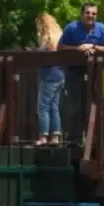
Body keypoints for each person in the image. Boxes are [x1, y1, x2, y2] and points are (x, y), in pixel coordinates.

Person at [58, 2, 104, 146]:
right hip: (74, 72)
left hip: (95, 73)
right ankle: (74, 139)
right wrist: (78, 48)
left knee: (93, 105)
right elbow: (60, 47)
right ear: (82, 14)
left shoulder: (102, 29)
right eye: (88, 13)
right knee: (75, 107)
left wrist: (92, 46)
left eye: (94, 14)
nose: (90, 16)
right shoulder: (71, 28)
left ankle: (93, 140)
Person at [34, 14, 65, 146]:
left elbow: (45, 54)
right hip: (60, 75)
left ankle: (43, 136)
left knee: (43, 107)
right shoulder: (60, 35)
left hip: (50, 76)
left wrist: (35, 52)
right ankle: (56, 136)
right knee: (54, 107)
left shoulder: (48, 38)